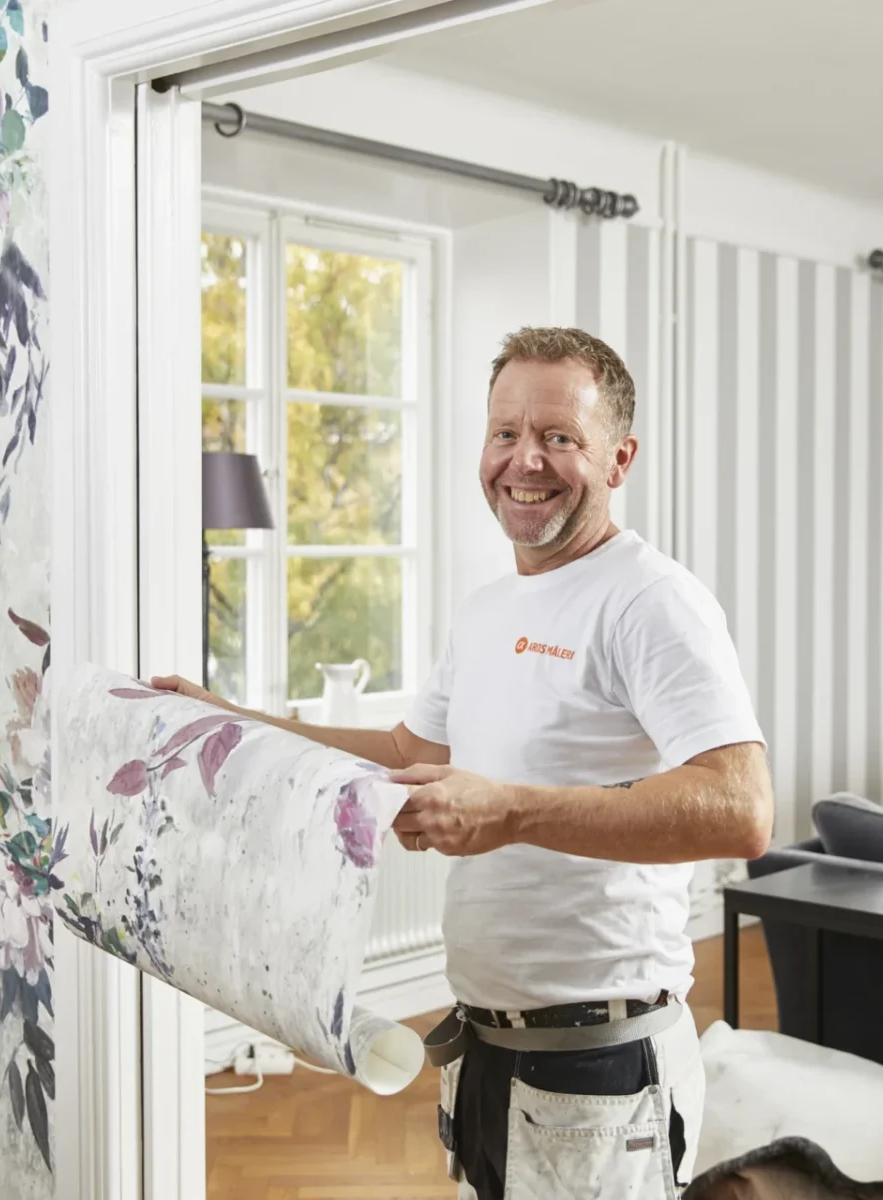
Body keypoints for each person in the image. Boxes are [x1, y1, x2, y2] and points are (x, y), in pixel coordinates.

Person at [154, 326, 772, 1199]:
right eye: (505, 433)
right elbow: (406, 754)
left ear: (619, 458)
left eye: (559, 436)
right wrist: (230, 722)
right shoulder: (488, 610)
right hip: (486, 1049)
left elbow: (741, 808)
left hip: (599, 1068)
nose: (525, 460)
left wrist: (510, 811)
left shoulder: (652, 600)